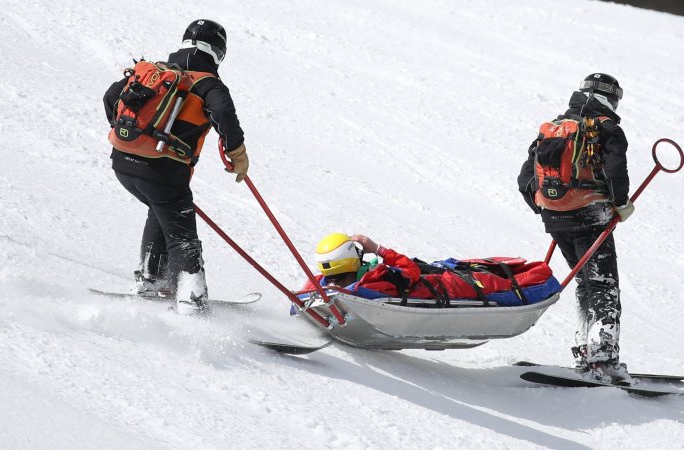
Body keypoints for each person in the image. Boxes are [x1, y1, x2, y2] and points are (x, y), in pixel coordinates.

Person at [103, 19, 249, 315]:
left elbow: (110, 96)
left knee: (161, 211)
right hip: (163, 173)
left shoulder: (156, 73)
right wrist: (238, 153)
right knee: (182, 236)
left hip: (123, 163)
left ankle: (151, 280)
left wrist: (133, 139)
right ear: (219, 51)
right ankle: (192, 302)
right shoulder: (206, 82)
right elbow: (222, 111)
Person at [517, 73, 634, 383]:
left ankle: (586, 352)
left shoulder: (554, 128)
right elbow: (614, 172)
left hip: (555, 219)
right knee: (603, 285)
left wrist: (547, 208)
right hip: (589, 218)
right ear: (611, 97)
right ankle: (603, 360)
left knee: (585, 282)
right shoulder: (608, 129)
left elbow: (525, 180)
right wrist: (620, 205)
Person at [303, 233, 555, 305]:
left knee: (488, 268)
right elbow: (409, 269)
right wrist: (378, 249)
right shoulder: (376, 280)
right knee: (507, 281)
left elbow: (304, 294)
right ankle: (547, 282)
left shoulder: (325, 285)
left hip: (437, 278)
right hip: (446, 288)